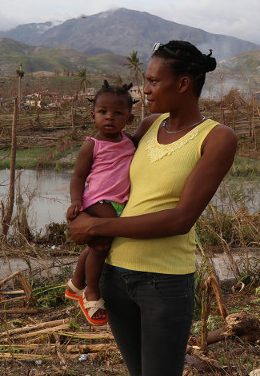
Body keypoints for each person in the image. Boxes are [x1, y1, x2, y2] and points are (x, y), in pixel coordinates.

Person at [68, 40, 237, 376]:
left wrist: (97, 228)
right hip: (114, 275)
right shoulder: (148, 127)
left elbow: (180, 220)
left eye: (154, 81)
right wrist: (82, 208)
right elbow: (107, 169)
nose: (145, 90)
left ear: (184, 84)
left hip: (163, 282)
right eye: (146, 81)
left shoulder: (216, 138)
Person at [65, 81, 136, 326]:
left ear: (129, 118)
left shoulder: (130, 142)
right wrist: (76, 201)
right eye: (103, 112)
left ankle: (76, 284)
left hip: (120, 203)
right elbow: (78, 177)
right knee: (101, 245)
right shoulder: (91, 145)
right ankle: (91, 291)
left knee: (95, 245)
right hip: (98, 200)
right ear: (92, 115)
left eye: (118, 113)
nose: (110, 118)